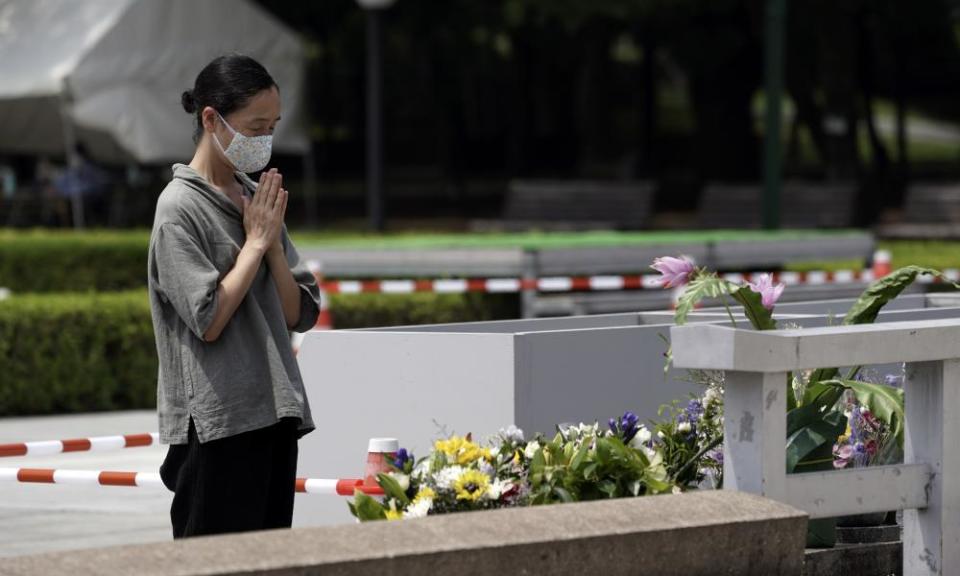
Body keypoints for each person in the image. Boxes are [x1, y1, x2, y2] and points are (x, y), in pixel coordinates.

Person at [148, 54, 320, 538]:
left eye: (273, 126)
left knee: (269, 561)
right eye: (255, 126)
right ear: (211, 119)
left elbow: (299, 312)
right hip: (219, 423)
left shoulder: (255, 196)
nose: (264, 139)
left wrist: (271, 249)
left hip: (275, 410)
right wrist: (258, 244)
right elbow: (209, 319)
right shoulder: (178, 208)